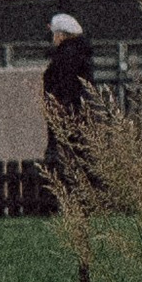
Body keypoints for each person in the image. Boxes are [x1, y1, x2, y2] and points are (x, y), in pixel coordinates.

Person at [42, 12, 98, 187]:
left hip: (66, 115)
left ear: (60, 35)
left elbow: (61, 86)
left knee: (64, 157)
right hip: (80, 115)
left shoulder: (64, 58)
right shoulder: (82, 56)